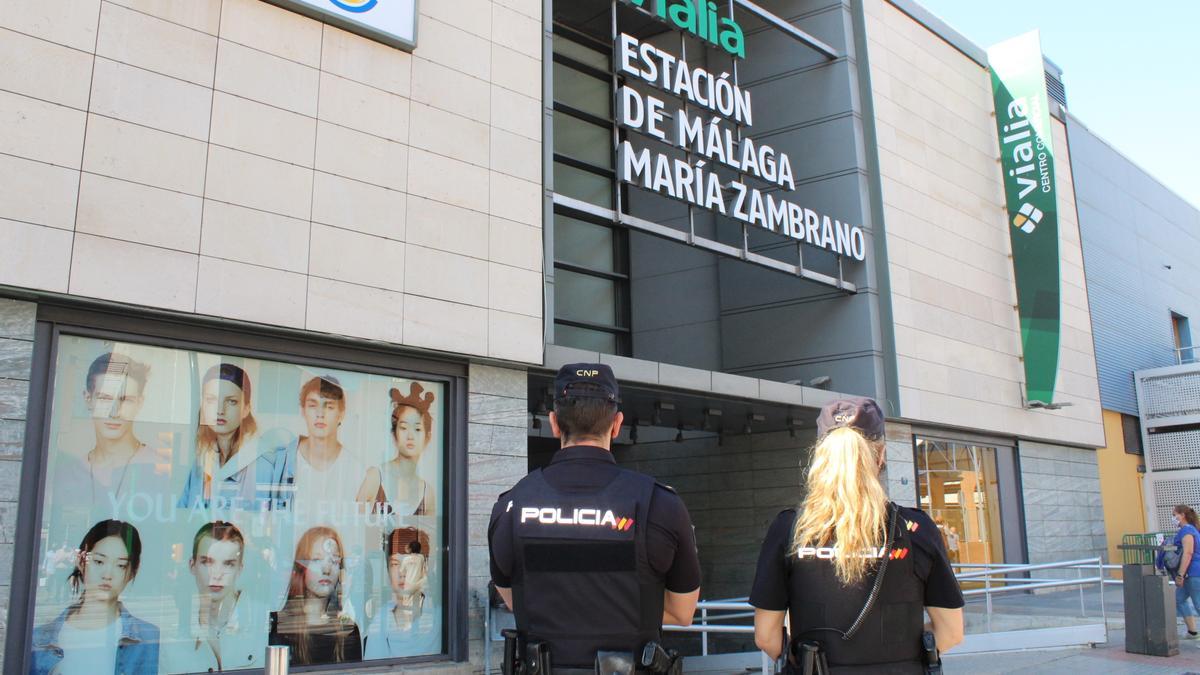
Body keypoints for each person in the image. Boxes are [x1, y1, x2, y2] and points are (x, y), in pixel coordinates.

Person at [488, 363, 701, 670]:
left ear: (554, 424)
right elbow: (683, 612)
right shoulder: (660, 503)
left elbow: (517, 601)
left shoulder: (511, 505)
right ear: (617, 424)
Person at [750, 397, 964, 673]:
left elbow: (765, 636)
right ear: (881, 454)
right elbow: (951, 632)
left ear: (821, 457)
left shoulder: (791, 529)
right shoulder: (915, 529)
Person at [30, 520, 158, 675]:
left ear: (133, 571)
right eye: (99, 561)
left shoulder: (149, 638)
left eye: (121, 565)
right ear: (81, 561)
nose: (107, 574)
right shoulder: (39, 639)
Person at [54, 353, 165, 518]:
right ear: (88, 398)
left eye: (125, 400)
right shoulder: (68, 473)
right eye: (105, 399)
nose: (115, 412)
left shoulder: (159, 470)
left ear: (139, 403)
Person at [161, 521, 263, 672]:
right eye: (207, 562)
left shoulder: (261, 621)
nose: (216, 574)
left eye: (228, 564)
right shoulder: (170, 628)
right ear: (192, 565)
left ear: (239, 569)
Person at [178, 364, 282, 511]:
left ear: (246, 409)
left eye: (231, 401)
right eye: (211, 400)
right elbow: (183, 517)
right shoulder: (201, 462)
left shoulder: (265, 465)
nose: (220, 410)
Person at [271, 375, 370, 517]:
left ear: (341, 414)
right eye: (313, 405)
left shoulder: (355, 469)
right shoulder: (281, 461)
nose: (320, 414)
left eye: (329, 407)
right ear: (303, 411)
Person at [274, 526, 363, 666]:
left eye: (334, 561)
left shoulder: (348, 631)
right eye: (316, 560)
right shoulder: (278, 627)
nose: (326, 569)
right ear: (302, 567)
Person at [359, 383, 438, 516]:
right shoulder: (375, 477)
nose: (410, 435)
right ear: (394, 434)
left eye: (417, 429)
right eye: (403, 427)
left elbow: (430, 535)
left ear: (427, 437)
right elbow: (355, 527)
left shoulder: (427, 493)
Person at [363, 527, 439, 658]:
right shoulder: (381, 619)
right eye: (395, 564)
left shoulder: (440, 615)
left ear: (424, 567)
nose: (402, 572)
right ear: (387, 570)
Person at [1159, 504, 1200, 639]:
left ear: (1182, 515)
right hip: (1190, 574)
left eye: (1174, 514)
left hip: (1193, 573)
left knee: (1198, 604)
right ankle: (1192, 631)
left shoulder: (1187, 531)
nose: (1173, 518)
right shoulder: (1189, 530)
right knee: (1179, 599)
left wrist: (1180, 575)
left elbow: (1188, 553)